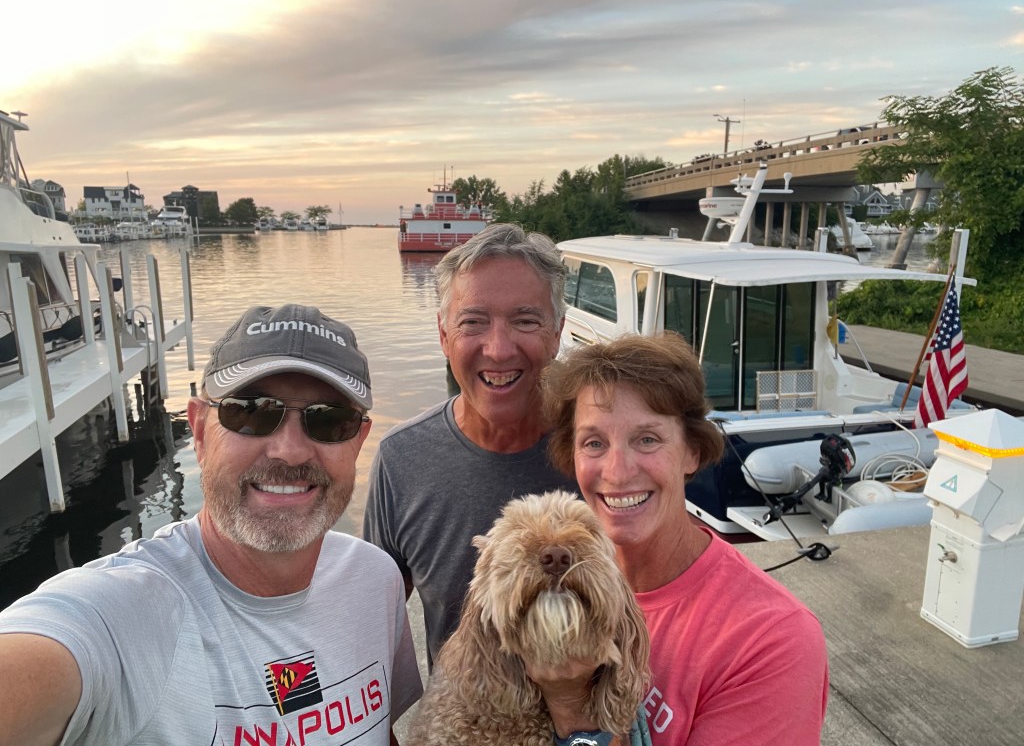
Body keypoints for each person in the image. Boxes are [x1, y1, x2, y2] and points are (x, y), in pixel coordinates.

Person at [0, 304, 422, 745]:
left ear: (358, 440)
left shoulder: (375, 579)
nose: (290, 451)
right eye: (251, 411)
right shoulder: (124, 615)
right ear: (200, 431)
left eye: (330, 420)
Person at [535, 332, 829, 745]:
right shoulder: (557, 582)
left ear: (692, 451)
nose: (617, 471)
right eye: (594, 443)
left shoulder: (772, 641)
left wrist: (568, 702)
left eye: (647, 439)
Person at [362, 223, 577, 667]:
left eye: (525, 321)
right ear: (444, 335)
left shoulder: (602, 455)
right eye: (473, 322)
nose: (498, 350)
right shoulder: (402, 459)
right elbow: (372, 623)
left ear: (557, 333)